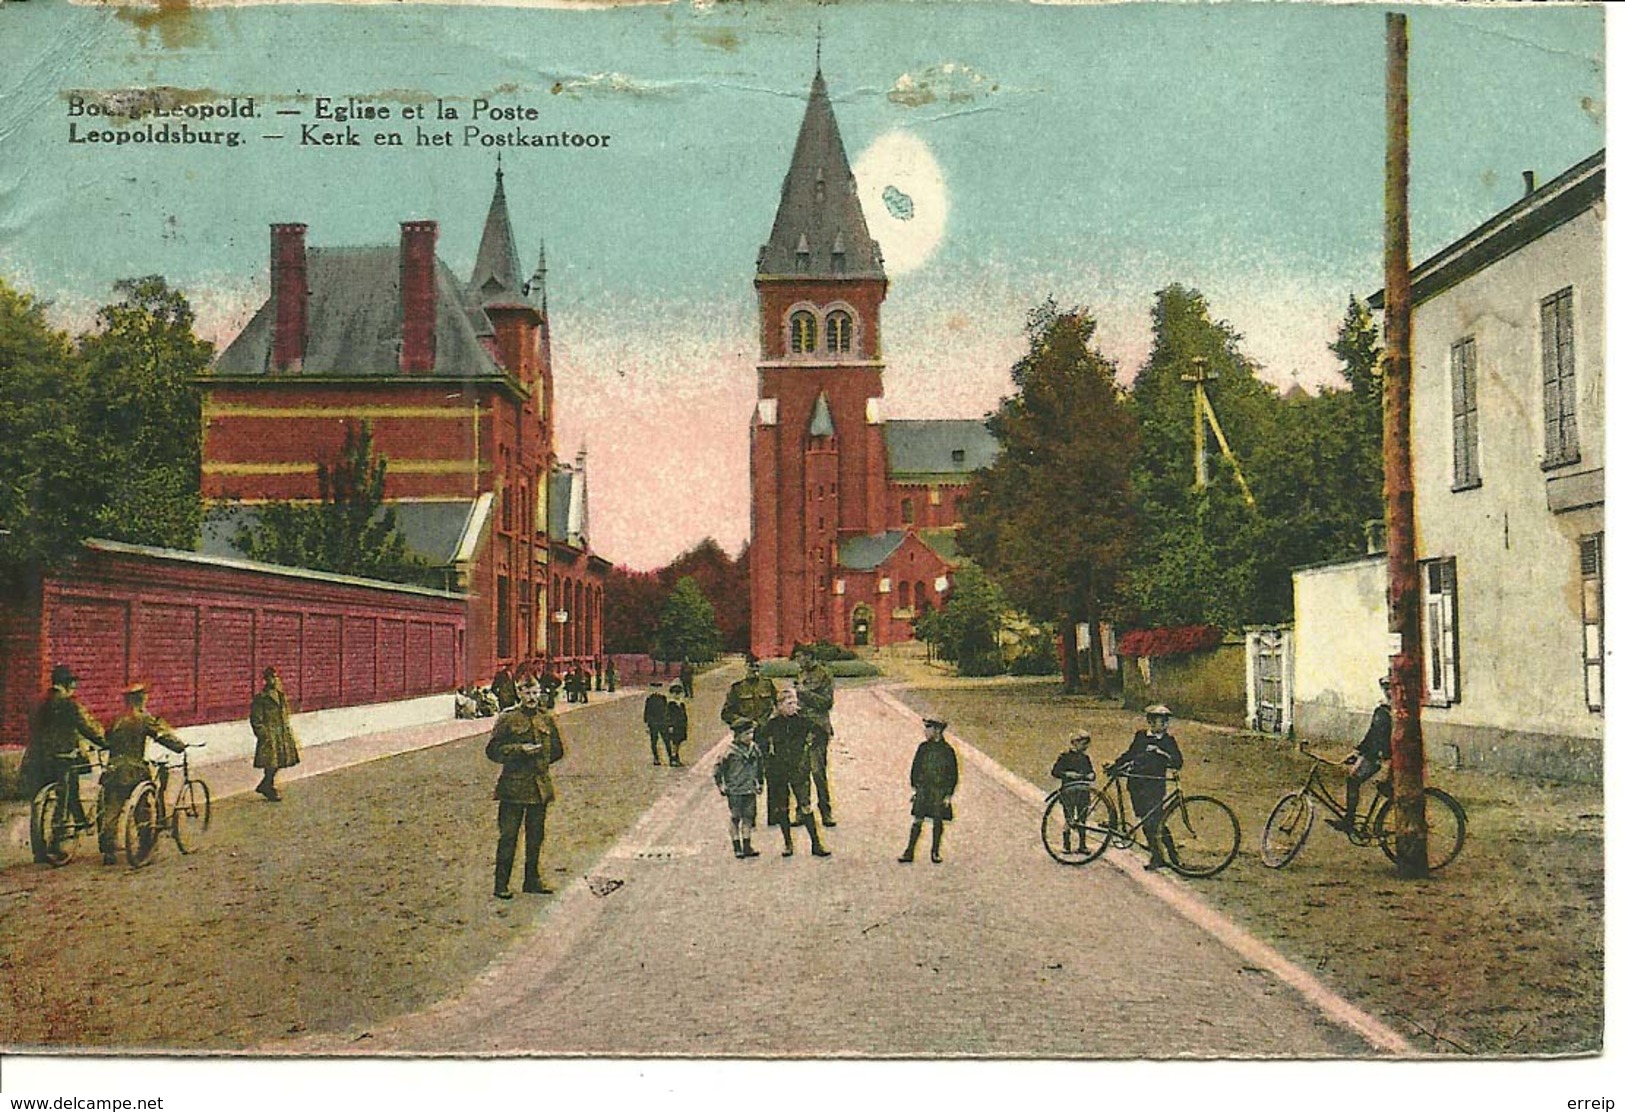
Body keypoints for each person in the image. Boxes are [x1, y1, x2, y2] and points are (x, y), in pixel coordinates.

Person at [485, 676, 564, 899]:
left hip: (539, 788)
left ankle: (532, 880)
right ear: (519, 693)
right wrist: (520, 751)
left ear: (540, 692)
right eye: (526, 693)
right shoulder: (508, 718)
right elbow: (492, 751)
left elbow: (557, 751)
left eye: (535, 692)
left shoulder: (546, 719)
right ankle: (501, 884)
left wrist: (540, 763)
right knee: (508, 837)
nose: (531, 698)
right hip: (513, 789)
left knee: (535, 836)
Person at [99, 684, 188, 866]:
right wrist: (179, 746)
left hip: (113, 769)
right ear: (141, 699)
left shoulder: (115, 719)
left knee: (112, 809)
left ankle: (108, 850)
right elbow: (162, 736)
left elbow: (105, 739)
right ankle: (144, 846)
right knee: (143, 808)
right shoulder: (143, 718)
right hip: (134, 770)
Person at [23, 665, 104, 832]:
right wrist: (105, 743)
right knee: (65, 794)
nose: (74, 690)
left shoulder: (37, 702)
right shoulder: (69, 704)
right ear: (66, 684)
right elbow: (87, 727)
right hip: (62, 757)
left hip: (36, 757)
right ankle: (58, 835)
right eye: (72, 685)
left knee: (38, 804)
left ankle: (40, 848)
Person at [1108, 704, 1184, 871]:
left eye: (1166, 721)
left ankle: (1168, 855)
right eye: (1160, 721)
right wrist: (1115, 764)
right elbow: (1130, 754)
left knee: (1155, 821)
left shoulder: (1168, 741)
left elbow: (1178, 762)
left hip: (1155, 785)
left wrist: (1161, 752)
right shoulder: (1141, 737)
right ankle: (1159, 855)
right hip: (1136, 784)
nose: (1164, 724)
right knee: (1145, 819)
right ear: (1150, 722)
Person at [756, 687, 829, 857]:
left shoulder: (802, 721)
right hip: (779, 772)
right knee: (782, 808)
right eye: (788, 703)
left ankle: (816, 844)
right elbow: (759, 740)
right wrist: (769, 757)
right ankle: (788, 844)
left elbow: (822, 733)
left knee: (805, 806)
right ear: (779, 706)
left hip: (799, 770)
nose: (792, 707)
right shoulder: (772, 724)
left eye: (795, 703)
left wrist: (811, 746)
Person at [1333, 676, 1393, 833]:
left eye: (1391, 688)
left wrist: (1386, 763)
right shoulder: (1382, 709)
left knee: (1356, 781)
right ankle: (1349, 820)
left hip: (1387, 757)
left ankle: (1352, 821)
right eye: (1385, 688)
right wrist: (1358, 751)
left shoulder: (1395, 711)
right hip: (1375, 754)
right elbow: (1373, 734)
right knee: (1352, 779)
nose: (1388, 692)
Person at [900, 717, 958, 864]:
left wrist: (948, 794)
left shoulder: (948, 751)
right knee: (918, 820)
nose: (925, 732)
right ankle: (909, 851)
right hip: (924, 789)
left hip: (939, 791)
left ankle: (935, 852)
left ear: (937, 731)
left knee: (938, 821)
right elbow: (916, 768)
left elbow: (953, 775)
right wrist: (915, 787)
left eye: (929, 728)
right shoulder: (923, 748)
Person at [794, 648, 838, 827]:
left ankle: (826, 812)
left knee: (818, 772)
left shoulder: (824, 674)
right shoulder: (800, 673)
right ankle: (802, 810)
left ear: (809, 657)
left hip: (818, 728)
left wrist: (804, 692)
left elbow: (826, 702)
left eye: (800, 657)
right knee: (800, 772)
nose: (798, 661)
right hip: (800, 728)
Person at [713, 721, 765, 859]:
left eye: (751, 733)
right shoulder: (729, 751)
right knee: (735, 817)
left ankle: (747, 845)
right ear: (738, 735)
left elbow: (760, 766)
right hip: (735, 790)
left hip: (749, 789)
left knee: (748, 817)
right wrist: (721, 785)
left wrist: (760, 782)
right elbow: (718, 769)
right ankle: (737, 845)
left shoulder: (754, 748)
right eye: (747, 733)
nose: (750, 736)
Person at [250, 667, 301, 802]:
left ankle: (266, 785)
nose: (274, 680)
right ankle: (268, 786)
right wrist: (263, 734)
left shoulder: (280, 695)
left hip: (281, 733)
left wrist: (287, 730)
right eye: (271, 677)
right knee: (271, 763)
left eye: (276, 677)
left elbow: (284, 713)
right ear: (266, 680)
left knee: (280, 761)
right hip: (270, 734)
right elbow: (256, 719)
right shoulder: (261, 698)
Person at [1050, 732, 1098, 854]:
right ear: (1075, 743)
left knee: (1082, 820)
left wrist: (1091, 775)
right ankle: (1067, 845)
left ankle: (1082, 845)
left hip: (1083, 792)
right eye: (1083, 744)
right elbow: (1055, 772)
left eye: (1086, 745)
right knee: (1069, 819)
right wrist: (1068, 774)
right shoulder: (1065, 757)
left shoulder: (1085, 758)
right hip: (1069, 792)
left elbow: (1092, 773)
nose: (1085, 747)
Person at [721, 653, 778, 732]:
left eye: (757, 667)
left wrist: (770, 719)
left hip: (765, 731)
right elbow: (726, 713)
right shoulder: (738, 688)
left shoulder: (767, 684)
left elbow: (778, 705)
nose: (755, 670)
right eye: (751, 666)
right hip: (745, 732)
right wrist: (744, 722)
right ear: (746, 666)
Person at [643, 681, 670, 766]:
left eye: (658, 688)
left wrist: (668, 722)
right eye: (654, 688)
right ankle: (656, 758)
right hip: (653, 723)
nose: (656, 690)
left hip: (662, 722)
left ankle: (670, 757)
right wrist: (647, 724)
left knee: (666, 740)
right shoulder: (649, 699)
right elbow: (647, 712)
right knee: (654, 741)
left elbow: (666, 711)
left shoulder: (663, 698)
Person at [664, 683, 690, 767]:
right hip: (674, 726)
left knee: (678, 742)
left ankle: (676, 757)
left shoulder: (681, 704)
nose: (677, 695)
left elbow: (684, 715)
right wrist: (670, 725)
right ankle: (673, 759)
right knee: (674, 743)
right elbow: (668, 716)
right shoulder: (671, 705)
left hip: (680, 726)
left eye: (678, 693)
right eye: (675, 693)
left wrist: (685, 725)